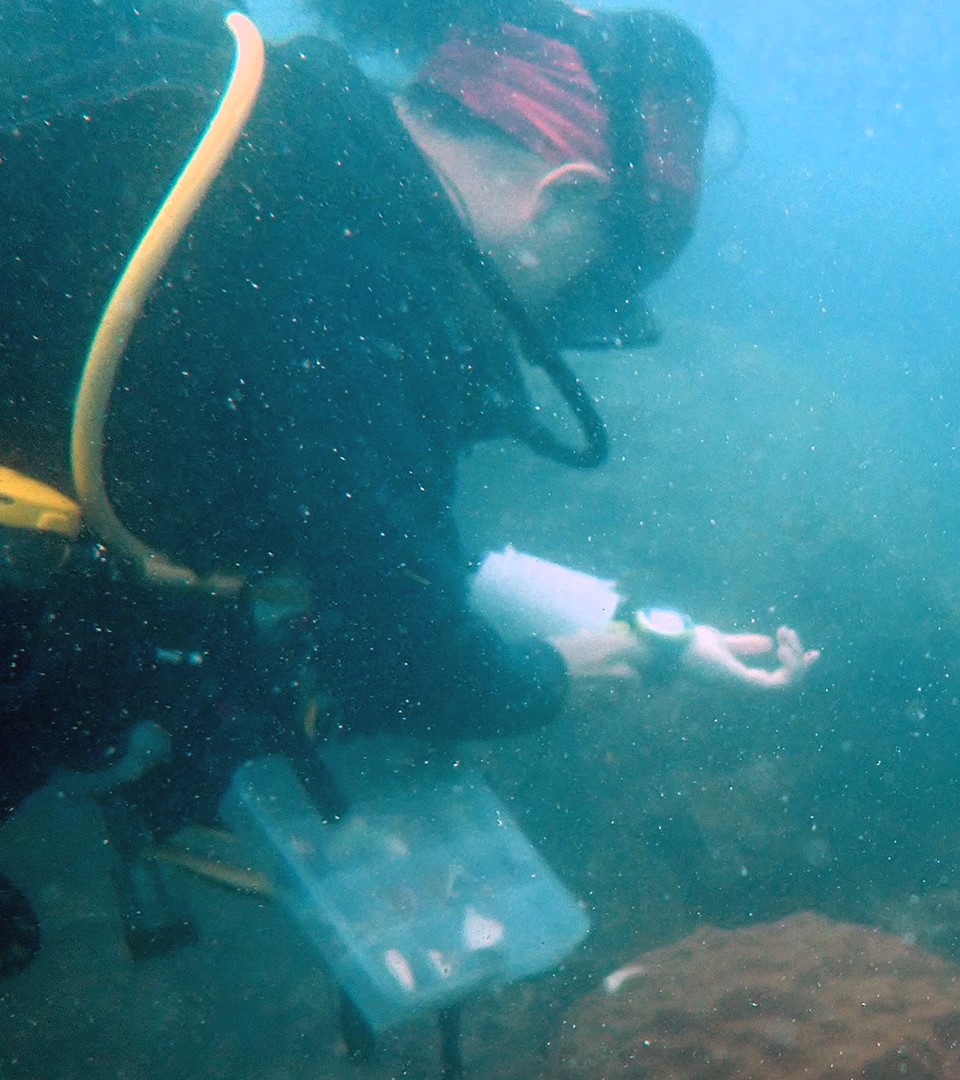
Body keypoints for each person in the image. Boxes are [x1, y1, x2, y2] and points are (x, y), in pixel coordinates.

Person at [0, 0, 815, 979]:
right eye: (586, 286)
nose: (544, 324)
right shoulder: (363, 268)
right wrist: (560, 677)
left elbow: (378, 542)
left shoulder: (283, 150)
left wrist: (658, 637)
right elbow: (410, 654)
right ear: (559, 195)